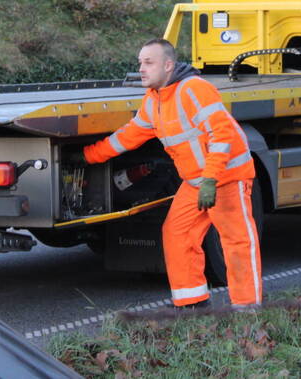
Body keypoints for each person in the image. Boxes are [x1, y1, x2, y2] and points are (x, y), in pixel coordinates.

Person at [83, 38, 262, 309]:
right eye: (140, 62)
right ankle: (191, 301)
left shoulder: (194, 90)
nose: (141, 68)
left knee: (237, 241)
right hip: (196, 183)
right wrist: (88, 156)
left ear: (168, 65)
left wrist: (211, 180)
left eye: (149, 62)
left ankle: (248, 310)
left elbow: (221, 135)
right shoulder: (153, 100)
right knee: (177, 233)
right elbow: (128, 136)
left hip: (225, 178)